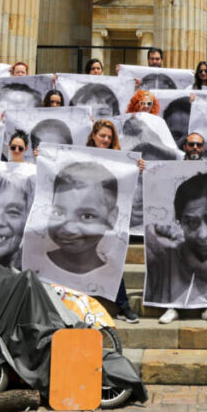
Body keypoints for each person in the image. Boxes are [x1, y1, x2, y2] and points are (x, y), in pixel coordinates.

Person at [150, 171, 207, 325]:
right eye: (191, 222)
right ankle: (173, 307)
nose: (203, 235)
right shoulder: (169, 248)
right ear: (179, 222)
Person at [83, 119, 143, 323]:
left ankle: (123, 306)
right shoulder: (79, 156)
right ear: (93, 136)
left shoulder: (119, 160)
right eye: (102, 136)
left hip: (107, 219)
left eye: (109, 137)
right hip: (82, 217)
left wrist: (137, 168)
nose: (106, 140)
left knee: (111, 260)